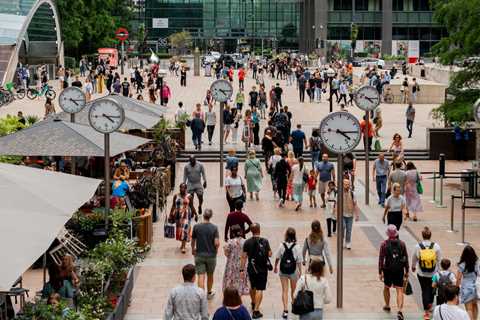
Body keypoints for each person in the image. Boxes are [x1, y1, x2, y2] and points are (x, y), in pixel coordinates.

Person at [240, 223, 272, 319]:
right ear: (259, 230)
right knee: (260, 288)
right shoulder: (265, 241)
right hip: (262, 268)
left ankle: (253, 302)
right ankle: (256, 310)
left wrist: (241, 269)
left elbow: (243, 257)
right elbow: (270, 254)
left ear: (251, 231)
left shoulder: (247, 242)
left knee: (252, 286)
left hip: (251, 268)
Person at [378, 225, 409, 320]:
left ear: (388, 234)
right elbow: (406, 258)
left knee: (386, 287)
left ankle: (387, 305)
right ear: (396, 233)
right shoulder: (402, 244)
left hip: (388, 269)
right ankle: (399, 310)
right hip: (399, 269)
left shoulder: (384, 244)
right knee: (399, 290)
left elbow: (381, 259)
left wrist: (380, 271)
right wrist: (406, 270)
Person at [412, 226, 442, 320]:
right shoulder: (436, 246)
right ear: (430, 236)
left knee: (424, 290)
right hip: (433, 274)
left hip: (421, 273)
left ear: (422, 235)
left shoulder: (418, 246)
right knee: (432, 289)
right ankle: (430, 303)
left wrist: (413, 267)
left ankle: (426, 311)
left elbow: (414, 258)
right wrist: (439, 271)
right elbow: (439, 260)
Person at [274, 228, 303, 319]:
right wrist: (300, 272)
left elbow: (278, 257)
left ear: (286, 235)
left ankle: (285, 310)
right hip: (293, 271)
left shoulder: (282, 245)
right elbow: (299, 261)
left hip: (283, 270)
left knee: (284, 290)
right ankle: (294, 305)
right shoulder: (297, 246)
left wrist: (275, 266)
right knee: (294, 290)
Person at [192, 209, 219, 299]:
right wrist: (216, 250)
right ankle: (209, 292)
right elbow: (216, 243)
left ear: (203, 215)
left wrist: (193, 249)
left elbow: (193, 240)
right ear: (210, 216)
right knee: (210, 275)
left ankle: (201, 295)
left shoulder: (196, 227)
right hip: (211, 255)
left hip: (199, 255)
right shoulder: (214, 228)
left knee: (201, 275)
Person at [169, 183, 197, 253]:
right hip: (178, 215)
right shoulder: (176, 196)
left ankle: (183, 246)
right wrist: (170, 215)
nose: (182, 189)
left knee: (185, 229)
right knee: (180, 230)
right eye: (181, 188)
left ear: (186, 189)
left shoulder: (189, 196)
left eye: (184, 188)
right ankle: (182, 244)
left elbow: (191, 206)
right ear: (179, 188)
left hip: (187, 215)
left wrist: (196, 214)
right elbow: (173, 205)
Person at [223, 225, 250, 295]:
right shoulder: (245, 242)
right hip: (242, 264)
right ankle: (239, 295)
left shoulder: (230, 242)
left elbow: (227, 254)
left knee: (231, 279)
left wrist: (225, 249)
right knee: (241, 281)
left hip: (231, 265)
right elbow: (248, 254)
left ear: (232, 233)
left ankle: (231, 295)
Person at [456, 245, 479, 320]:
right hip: (475, 287)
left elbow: (458, 278)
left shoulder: (462, 265)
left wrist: (456, 289)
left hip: (466, 288)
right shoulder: (476, 263)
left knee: (469, 309)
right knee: (475, 305)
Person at [342, 179, 359, 250]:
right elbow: (336, 204)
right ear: (342, 185)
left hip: (350, 215)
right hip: (342, 215)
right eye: (345, 184)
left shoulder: (352, 193)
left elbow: (355, 204)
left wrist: (357, 215)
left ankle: (348, 242)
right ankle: (341, 240)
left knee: (349, 229)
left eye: (348, 184)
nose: (347, 185)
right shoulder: (339, 193)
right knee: (342, 227)